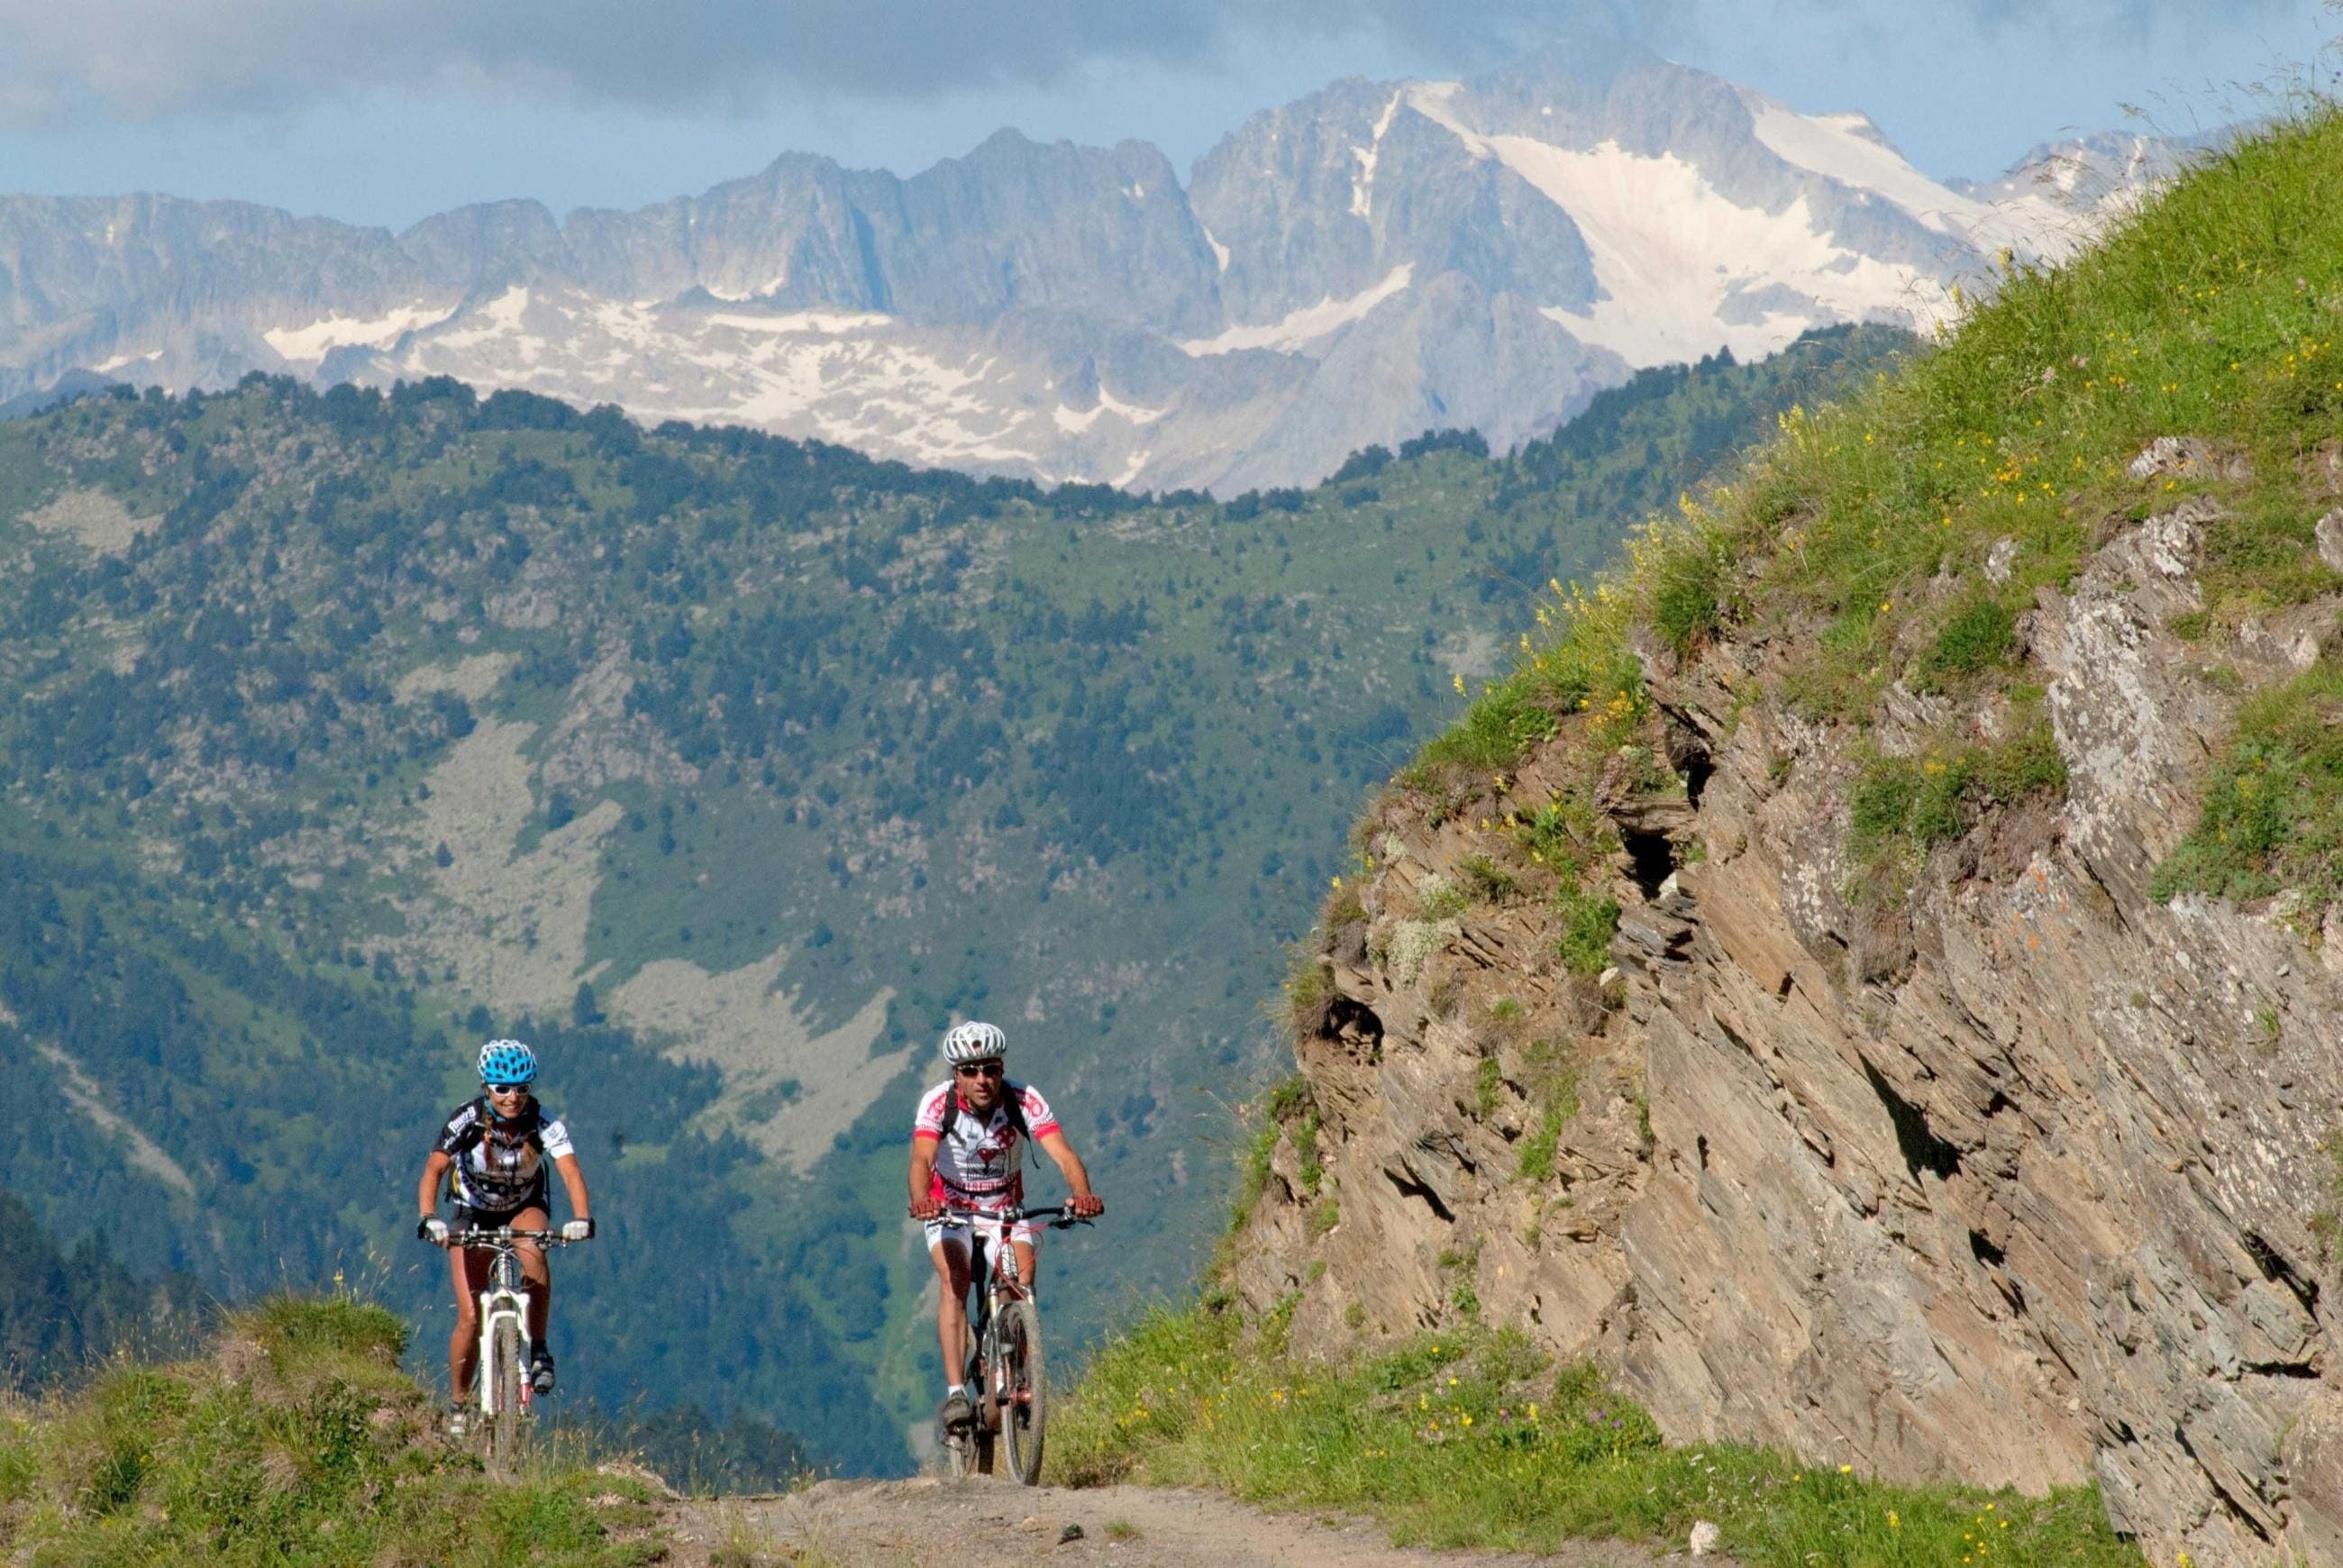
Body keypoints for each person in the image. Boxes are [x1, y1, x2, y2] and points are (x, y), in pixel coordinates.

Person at [907, 1021, 1103, 1430]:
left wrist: (1081, 1193)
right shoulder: (937, 1104)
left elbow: (1063, 1154)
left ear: (1001, 1068)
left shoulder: (1023, 1100)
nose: (983, 1079)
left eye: (991, 1069)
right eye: (971, 1070)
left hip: (1004, 1209)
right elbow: (922, 1159)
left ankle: (1017, 1369)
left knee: (1022, 1278)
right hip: (950, 1211)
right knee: (955, 1279)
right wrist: (923, 1200)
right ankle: (957, 1393)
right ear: (956, 1074)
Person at [416, 1039, 594, 1434]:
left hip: (523, 1205)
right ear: (486, 1087)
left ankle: (540, 1350)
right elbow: (434, 1170)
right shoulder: (466, 1119)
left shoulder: (544, 1122)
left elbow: (569, 1171)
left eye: (522, 1088)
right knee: (469, 1316)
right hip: (471, 1210)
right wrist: (430, 1218)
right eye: (502, 1088)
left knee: (535, 1247)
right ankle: (459, 1404)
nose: (512, 1098)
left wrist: (582, 1218)